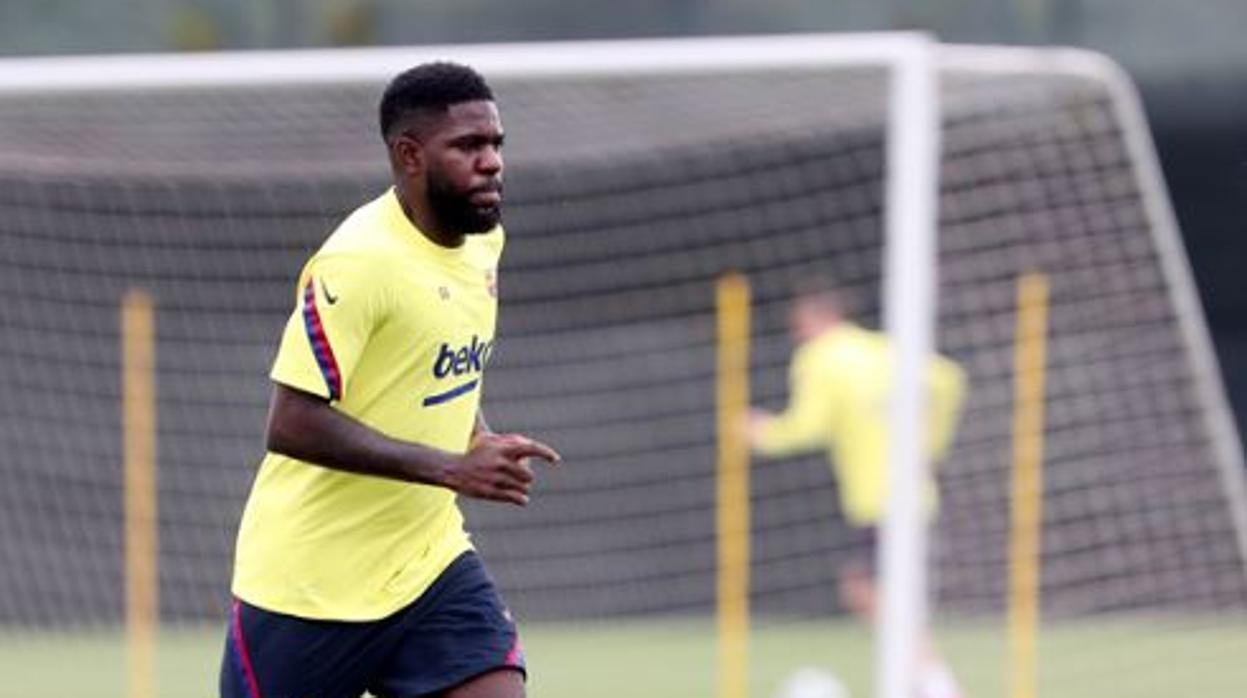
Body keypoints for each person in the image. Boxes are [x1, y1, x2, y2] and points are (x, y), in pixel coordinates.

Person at [219, 62, 560, 698]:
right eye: (468, 146)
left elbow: (439, 360)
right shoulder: (359, 262)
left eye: (496, 144)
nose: (492, 162)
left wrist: (476, 437)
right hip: (308, 589)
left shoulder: (483, 245)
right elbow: (290, 421)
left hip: (428, 567)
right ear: (409, 155)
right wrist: (451, 468)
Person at [745, 280, 967, 698]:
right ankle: (924, 681)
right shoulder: (886, 350)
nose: (797, 334)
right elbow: (950, 380)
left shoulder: (822, 357)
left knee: (871, 593)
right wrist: (932, 443)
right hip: (916, 496)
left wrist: (761, 433)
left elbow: (807, 426)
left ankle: (936, 684)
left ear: (817, 318)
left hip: (877, 501)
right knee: (875, 592)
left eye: (799, 325)